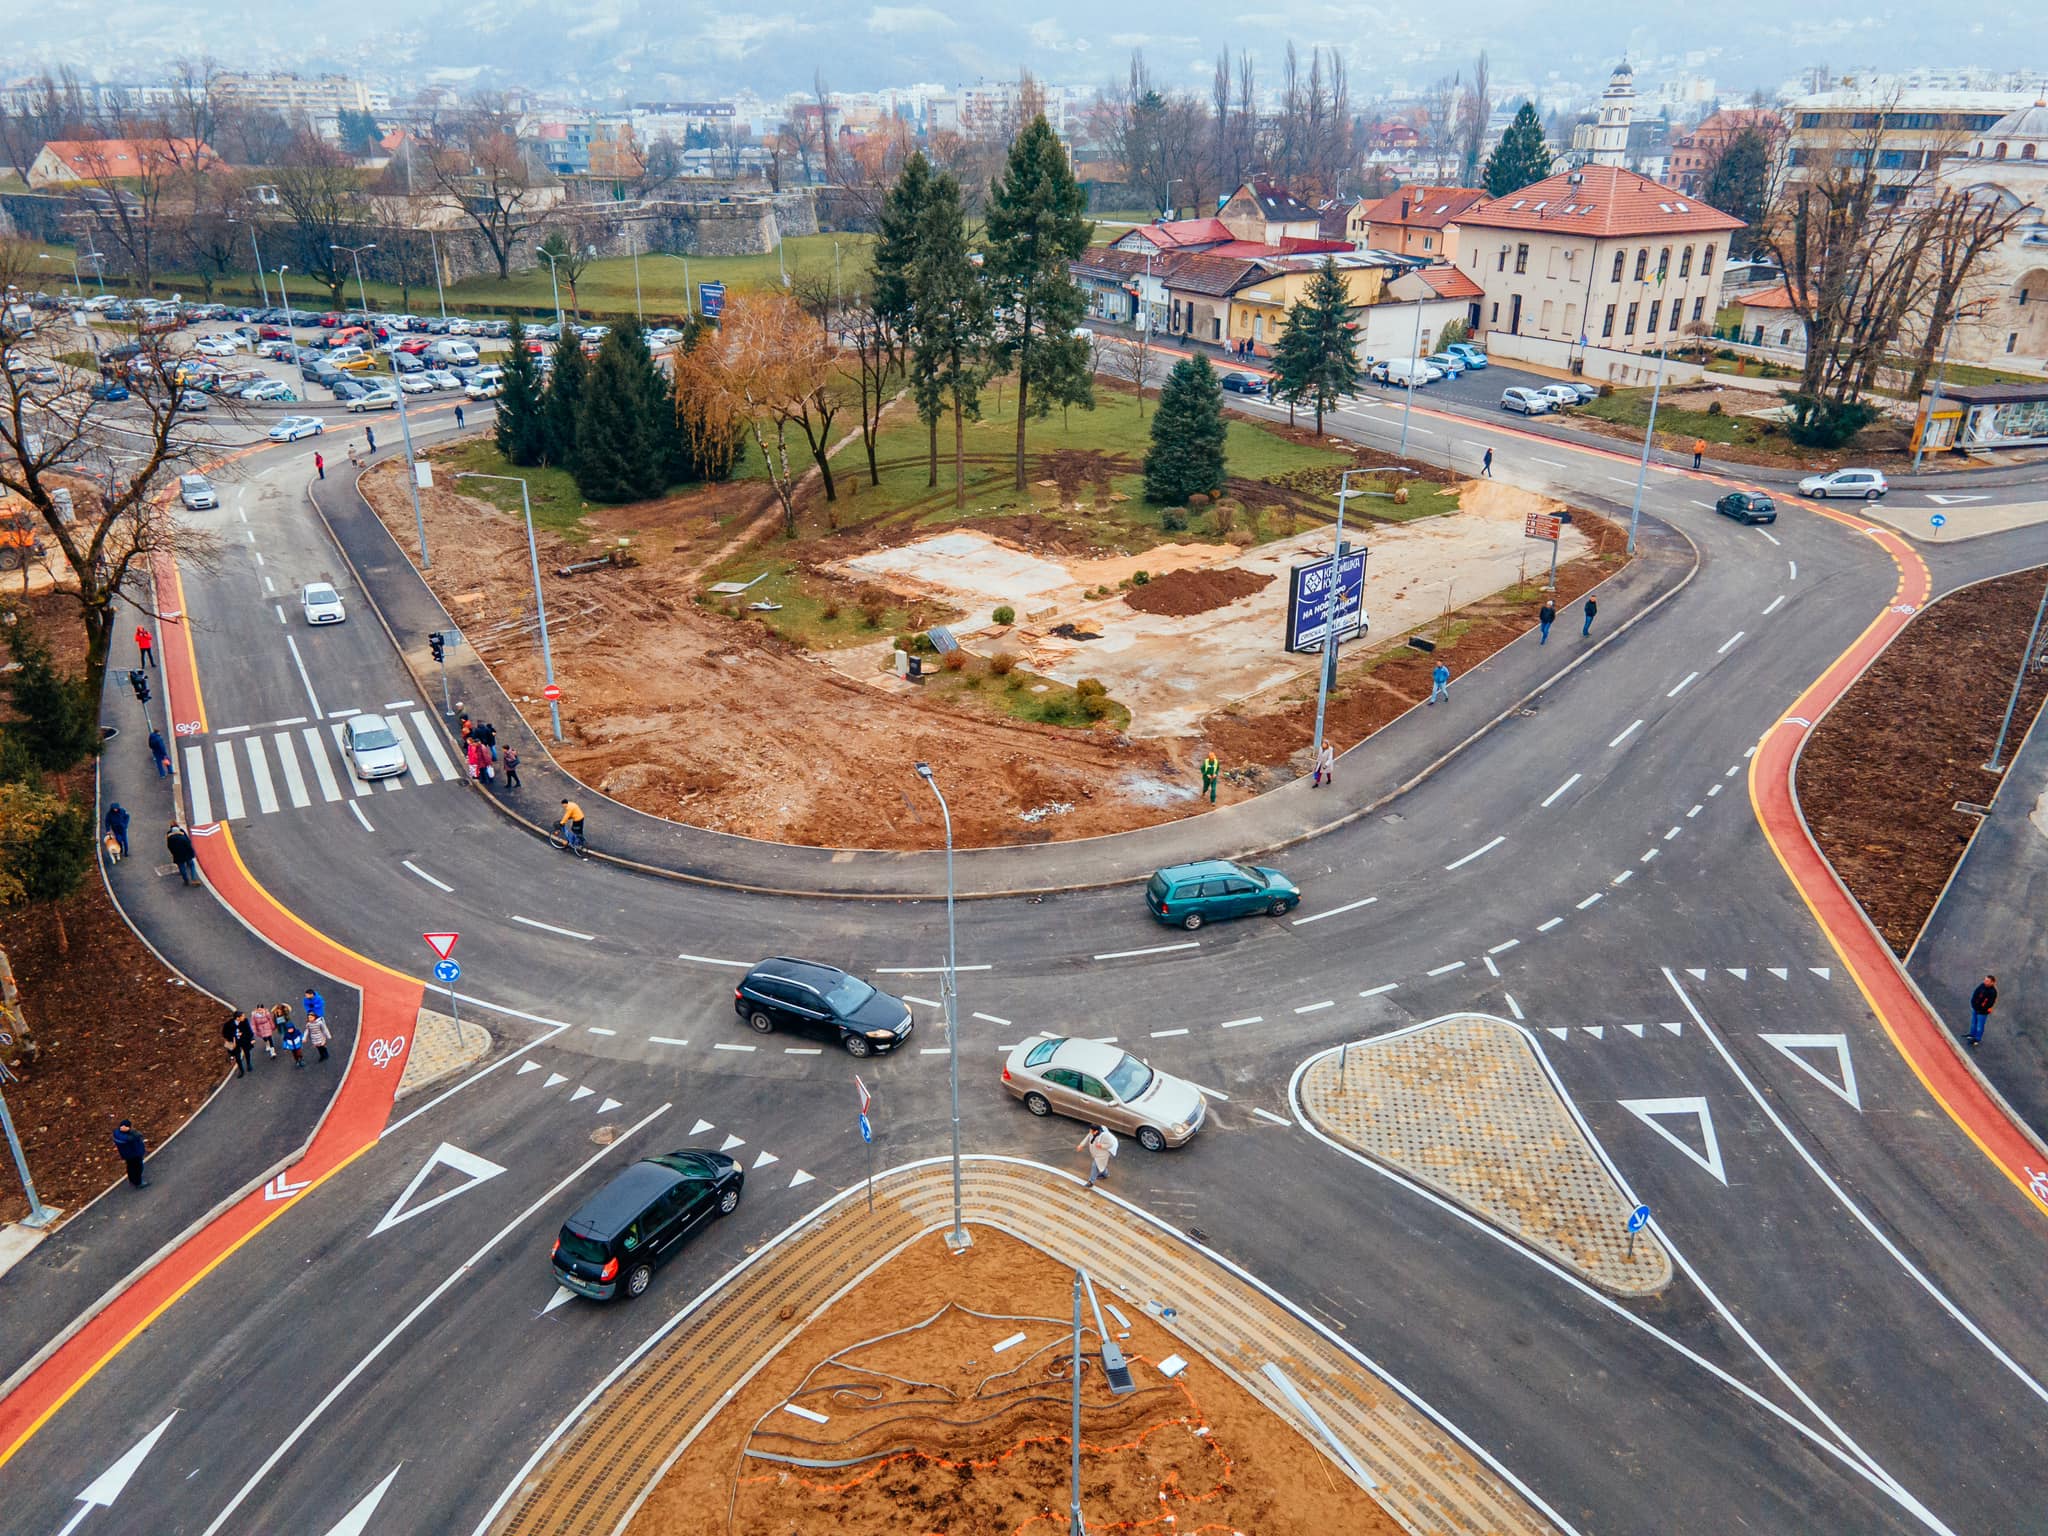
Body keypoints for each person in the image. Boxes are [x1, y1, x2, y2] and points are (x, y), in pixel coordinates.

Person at [112, 1119, 148, 1189]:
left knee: (130, 1167)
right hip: (133, 1154)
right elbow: (136, 1136)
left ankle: (132, 1180)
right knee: (137, 1168)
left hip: (129, 1154)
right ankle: (138, 1182)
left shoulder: (117, 1133)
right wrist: (129, 1131)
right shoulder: (124, 1136)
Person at [222, 1011, 255, 1077]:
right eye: (242, 1016)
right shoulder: (229, 1024)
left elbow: (249, 1031)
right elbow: (225, 1033)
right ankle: (241, 1070)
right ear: (237, 1018)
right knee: (237, 1056)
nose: (244, 1017)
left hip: (244, 1040)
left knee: (247, 1051)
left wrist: (250, 1038)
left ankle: (248, 1064)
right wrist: (233, 1036)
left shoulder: (245, 1021)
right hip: (234, 1042)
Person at [1969, 974, 1997, 1047]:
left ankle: (1977, 1039)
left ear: (1992, 982)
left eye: (1987, 981)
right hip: (1976, 1008)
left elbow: (1989, 1003)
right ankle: (1972, 1035)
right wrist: (1973, 1003)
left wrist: (1981, 1009)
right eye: (1985, 980)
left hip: (1982, 1012)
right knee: (1973, 1023)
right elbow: (1975, 993)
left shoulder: (1993, 992)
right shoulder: (1982, 985)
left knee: (1979, 1026)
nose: (1985, 982)